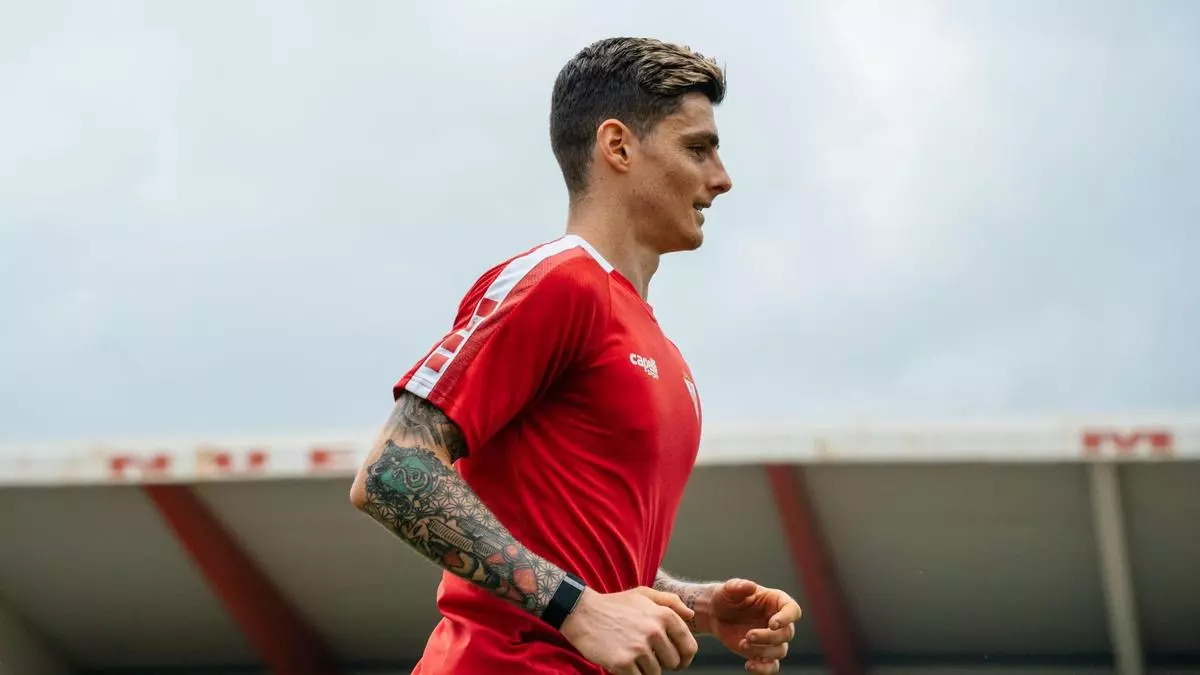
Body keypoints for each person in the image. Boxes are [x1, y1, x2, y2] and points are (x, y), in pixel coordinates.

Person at [350, 36, 802, 675]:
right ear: (618, 146)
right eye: (698, 148)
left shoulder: (661, 350)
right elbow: (392, 472)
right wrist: (577, 609)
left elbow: (577, 551)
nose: (721, 178)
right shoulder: (559, 282)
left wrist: (694, 606)